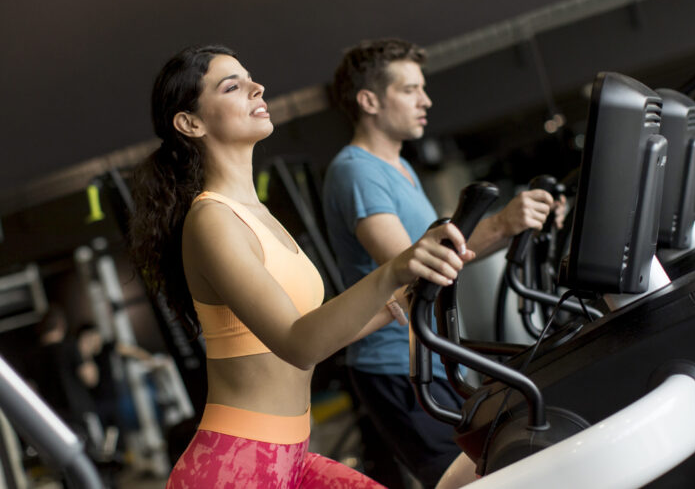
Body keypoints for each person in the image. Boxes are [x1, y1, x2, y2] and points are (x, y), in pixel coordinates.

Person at [127, 44, 473, 489]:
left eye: (252, 78)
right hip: (236, 468)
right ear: (190, 123)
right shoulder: (210, 219)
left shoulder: (259, 214)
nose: (258, 87)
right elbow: (297, 343)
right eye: (233, 86)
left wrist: (394, 300)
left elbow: (314, 332)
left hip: (291, 456)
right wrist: (392, 271)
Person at [323, 38, 564, 488]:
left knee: (492, 467)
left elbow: (451, 251)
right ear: (370, 100)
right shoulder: (356, 170)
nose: (426, 100)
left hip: (433, 352)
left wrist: (513, 223)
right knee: (465, 482)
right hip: (395, 364)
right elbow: (411, 266)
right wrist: (501, 223)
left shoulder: (400, 168)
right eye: (411, 89)